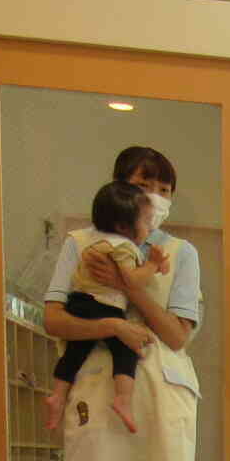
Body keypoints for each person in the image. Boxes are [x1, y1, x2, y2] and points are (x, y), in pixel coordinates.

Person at [39, 145, 201, 461]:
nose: (154, 198)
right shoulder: (80, 243)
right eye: (144, 186)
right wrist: (110, 324)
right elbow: (54, 319)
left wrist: (133, 284)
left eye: (164, 190)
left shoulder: (181, 254)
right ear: (119, 190)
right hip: (94, 382)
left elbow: (176, 335)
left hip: (159, 383)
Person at [44, 181, 161, 435]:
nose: (150, 227)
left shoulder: (89, 241)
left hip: (79, 303)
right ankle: (123, 398)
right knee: (127, 350)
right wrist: (152, 265)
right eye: (146, 222)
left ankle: (57, 396)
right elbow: (132, 281)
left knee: (73, 353)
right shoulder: (124, 246)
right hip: (105, 307)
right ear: (123, 226)